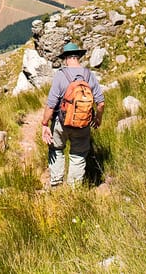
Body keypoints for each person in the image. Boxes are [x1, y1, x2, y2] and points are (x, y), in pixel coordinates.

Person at [41, 42, 105, 187]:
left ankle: (56, 183)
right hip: (82, 123)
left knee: (56, 149)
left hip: (61, 122)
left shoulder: (60, 75)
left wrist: (44, 124)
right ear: (79, 57)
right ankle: (74, 189)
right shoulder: (89, 75)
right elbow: (101, 103)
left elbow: (51, 104)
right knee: (78, 154)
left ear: (65, 58)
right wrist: (98, 119)